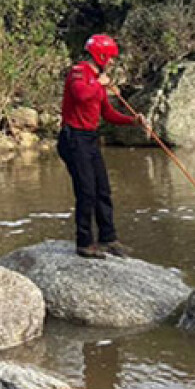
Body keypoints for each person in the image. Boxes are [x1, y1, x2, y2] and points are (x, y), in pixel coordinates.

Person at [58, 33, 137, 260]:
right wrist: (98, 84)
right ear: (100, 55)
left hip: (90, 139)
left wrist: (132, 120)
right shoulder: (79, 72)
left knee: (103, 189)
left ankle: (108, 238)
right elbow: (81, 95)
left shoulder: (98, 80)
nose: (112, 62)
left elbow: (108, 114)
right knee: (86, 191)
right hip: (74, 139)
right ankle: (84, 243)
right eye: (110, 58)